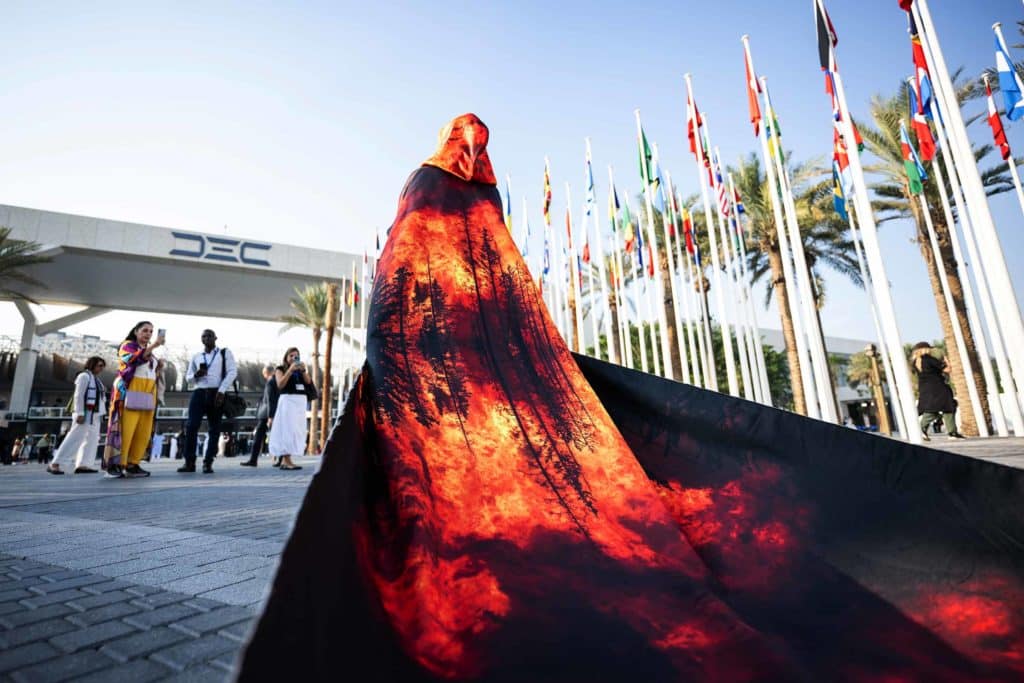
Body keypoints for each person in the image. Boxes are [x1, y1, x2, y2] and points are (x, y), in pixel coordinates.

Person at [105, 321, 164, 478]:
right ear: (136, 331)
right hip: (131, 390)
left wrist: (158, 365)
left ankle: (133, 463)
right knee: (126, 428)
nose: (148, 334)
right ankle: (117, 464)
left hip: (147, 393)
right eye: (145, 330)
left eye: (151, 331)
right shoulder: (127, 345)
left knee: (143, 431)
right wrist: (154, 346)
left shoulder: (148, 351)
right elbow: (132, 360)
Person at [179, 329, 237, 474]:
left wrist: (222, 390)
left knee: (214, 428)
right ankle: (189, 462)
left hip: (216, 392)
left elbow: (232, 372)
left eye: (209, 335)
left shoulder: (224, 353)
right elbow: (188, 378)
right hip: (199, 392)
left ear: (215, 338)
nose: (207, 338)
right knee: (191, 426)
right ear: (201, 339)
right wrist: (196, 375)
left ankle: (208, 462)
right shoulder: (197, 356)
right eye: (204, 336)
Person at [47, 356, 106, 475]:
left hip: (95, 414)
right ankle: (55, 463)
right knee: (74, 438)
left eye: (102, 367)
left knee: (92, 440)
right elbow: (78, 396)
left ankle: (84, 464)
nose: (101, 369)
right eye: (99, 365)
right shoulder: (84, 376)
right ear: (92, 364)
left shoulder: (96, 380)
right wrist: (80, 413)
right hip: (85, 412)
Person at [267, 348, 313, 471]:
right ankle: (286, 460)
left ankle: (286, 460)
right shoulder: (280, 369)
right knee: (287, 429)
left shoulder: (300, 370)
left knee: (296, 430)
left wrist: (302, 371)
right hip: (288, 401)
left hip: (300, 402)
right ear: (286, 357)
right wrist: (290, 371)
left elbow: (308, 382)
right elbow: (280, 384)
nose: (294, 358)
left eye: (296, 356)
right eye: (291, 356)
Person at [910, 341, 965, 441]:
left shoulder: (915, 362)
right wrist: (945, 359)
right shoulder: (929, 360)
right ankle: (951, 432)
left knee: (937, 408)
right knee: (948, 407)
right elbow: (948, 369)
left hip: (925, 389)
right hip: (938, 388)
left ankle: (923, 430)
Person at [241, 364, 277, 467]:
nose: (264, 377)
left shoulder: (270, 382)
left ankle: (253, 460)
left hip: (265, 414)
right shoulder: (274, 382)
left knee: (258, 437)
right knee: (270, 436)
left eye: (264, 374)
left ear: (267, 373)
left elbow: (270, 400)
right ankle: (256, 459)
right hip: (267, 413)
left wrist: (270, 416)